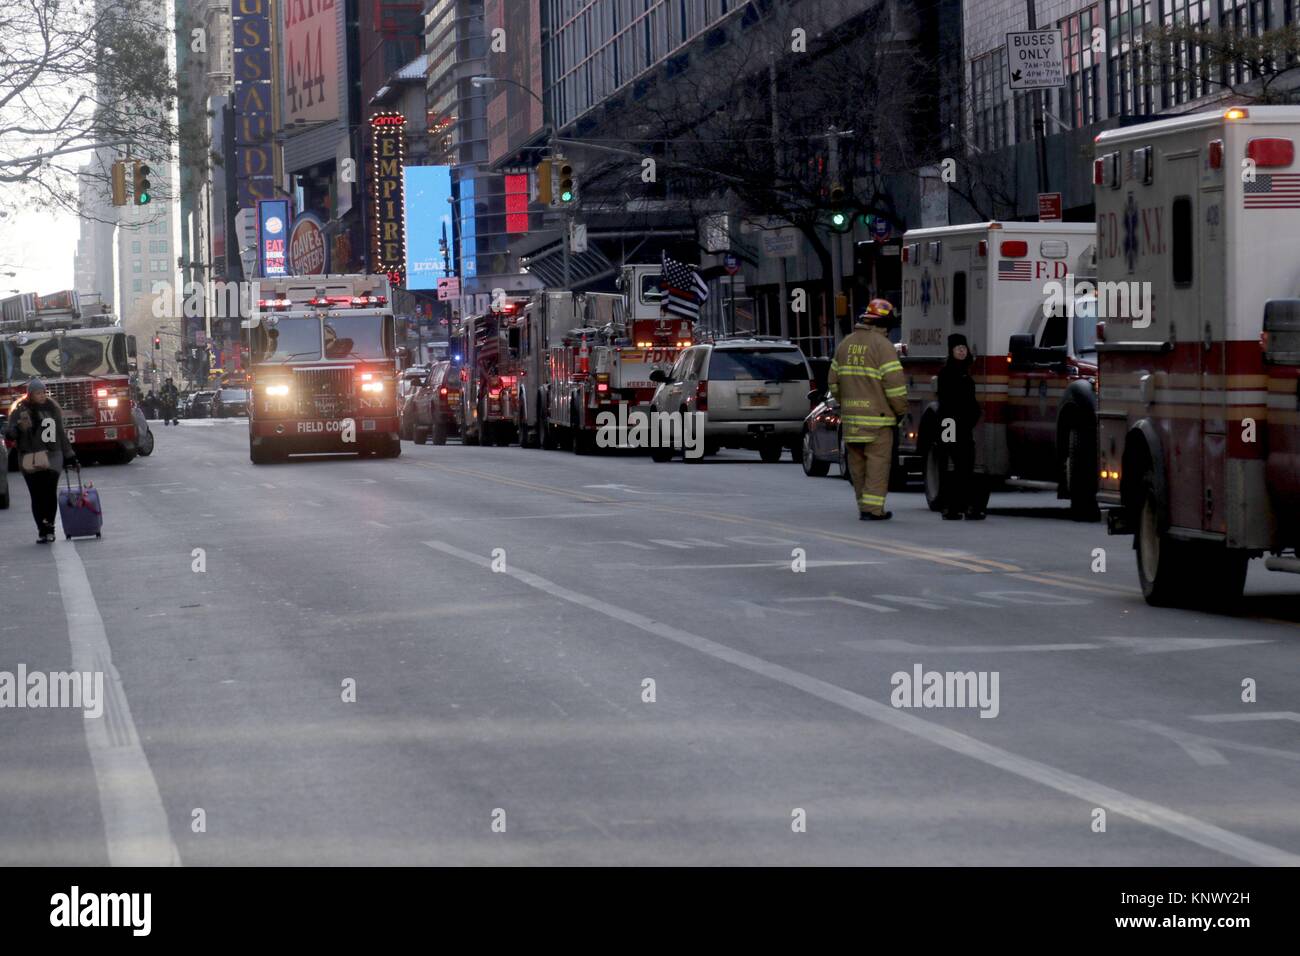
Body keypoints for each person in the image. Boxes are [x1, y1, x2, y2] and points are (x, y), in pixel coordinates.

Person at [829, 300, 908, 520]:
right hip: (878, 420)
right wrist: (900, 411)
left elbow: (833, 383)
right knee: (877, 465)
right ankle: (873, 510)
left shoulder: (845, 344)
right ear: (885, 324)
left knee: (858, 466)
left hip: (851, 420)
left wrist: (846, 403)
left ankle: (863, 506)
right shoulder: (883, 347)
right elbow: (895, 387)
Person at [3, 379, 77, 543]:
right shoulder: (20, 410)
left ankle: (50, 527)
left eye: (44, 392)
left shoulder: (52, 409)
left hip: (52, 455)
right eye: (38, 393)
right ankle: (42, 529)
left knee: (49, 492)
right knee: (37, 495)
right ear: (30, 395)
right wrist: (19, 428)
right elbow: (9, 434)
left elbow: (60, 434)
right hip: (30, 457)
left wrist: (70, 455)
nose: (42, 395)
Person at [936, 333, 983, 520]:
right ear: (951, 351)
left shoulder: (966, 372)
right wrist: (949, 428)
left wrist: (973, 416)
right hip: (950, 424)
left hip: (964, 426)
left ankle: (965, 506)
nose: (962, 351)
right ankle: (950, 507)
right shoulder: (947, 373)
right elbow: (947, 402)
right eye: (958, 349)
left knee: (966, 465)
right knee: (952, 464)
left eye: (964, 348)